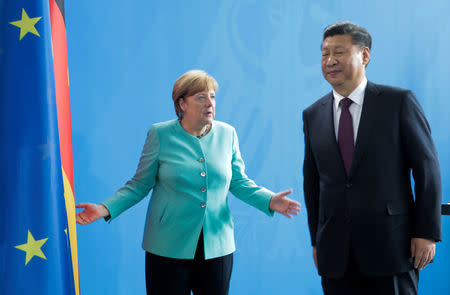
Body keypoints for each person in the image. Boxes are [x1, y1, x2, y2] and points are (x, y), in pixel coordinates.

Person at [76, 69, 301, 295]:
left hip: (217, 246)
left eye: (212, 96)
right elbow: (139, 184)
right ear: (182, 104)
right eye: (201, 97)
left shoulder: (227, 134)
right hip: (167, 245)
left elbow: (239, 181)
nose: (209, 103)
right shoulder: (160, 135)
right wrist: (104, 209)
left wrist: (270, 200)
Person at [302, 21, 441, 295]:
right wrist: (317, 242)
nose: (330, 61)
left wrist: (426, 232)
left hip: (391, 247)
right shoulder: (312, 114)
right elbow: (313, 181)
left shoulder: (397, 102)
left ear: (364, 55)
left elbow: (428, 169)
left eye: (339, 52)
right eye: (324, 53)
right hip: (335, 254)